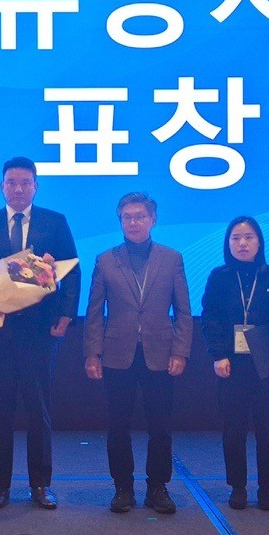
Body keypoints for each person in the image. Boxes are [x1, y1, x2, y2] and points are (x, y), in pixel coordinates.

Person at [0, 156, 80, 510]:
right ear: (2, 186)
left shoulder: (55, 222)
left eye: (26, 182)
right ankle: (0, 486)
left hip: (41, 331)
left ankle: (41, 486)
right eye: (12, 182)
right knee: (0, 410)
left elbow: (71, 270)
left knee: (39, 409)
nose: (19, 188)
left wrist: (67, 315)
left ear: (36, 186)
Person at [83, 193, 192, 515]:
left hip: (161, 353)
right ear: (120, 222)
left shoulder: (172, 258)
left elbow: (184, 311)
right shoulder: (105, 260)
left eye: (140, 216)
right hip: (117, 354)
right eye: (127, 217)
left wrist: (181, 351)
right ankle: (123, 488)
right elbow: (93, 312)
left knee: (160, 426)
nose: (133, 222)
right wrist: (92, 353)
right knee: (118, 426)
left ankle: (158, 487)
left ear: (153, 220)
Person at [202, 216, 269, 511]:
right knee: (233, 427)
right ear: (228, 243)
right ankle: (237, 487)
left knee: (268, 427)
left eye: (249, 237)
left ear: (259, 241)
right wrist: (217, 354)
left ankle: (267, 488)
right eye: (236, 238)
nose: (242, 243)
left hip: (266, 361)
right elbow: (210, 318)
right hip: (231, 361)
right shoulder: (219, 276)